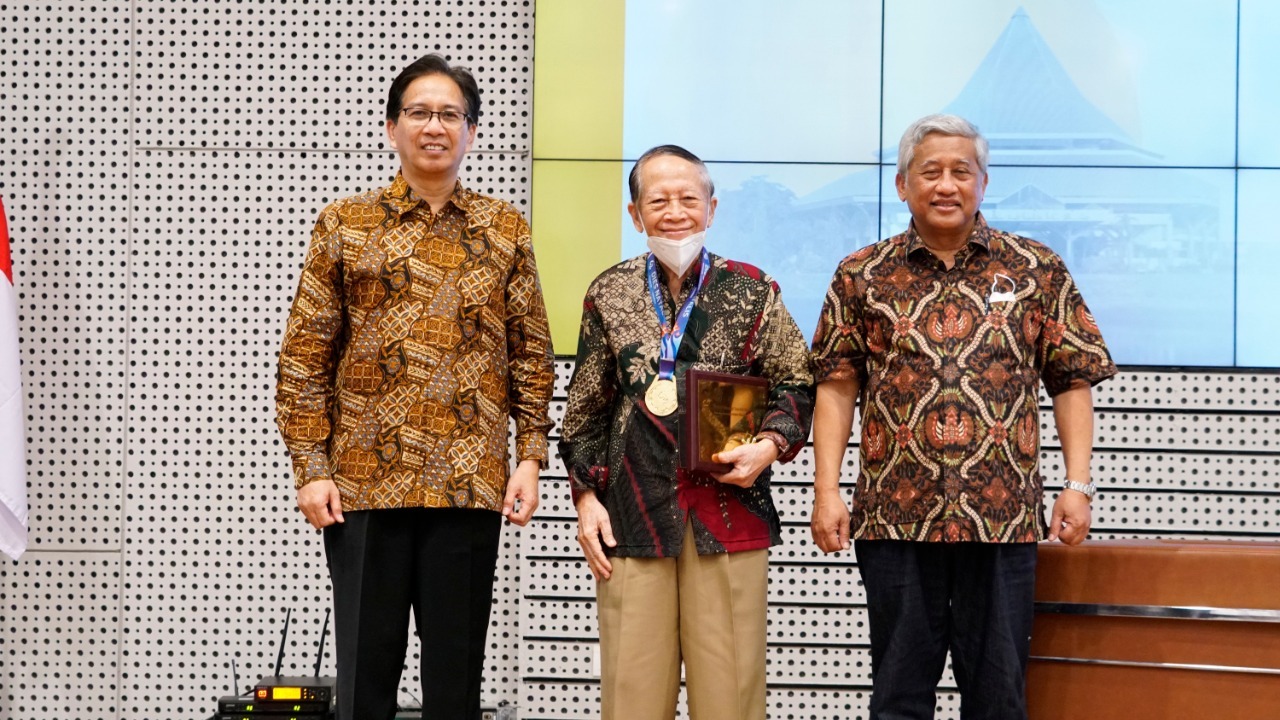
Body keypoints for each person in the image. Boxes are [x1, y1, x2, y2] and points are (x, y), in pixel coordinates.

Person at [274, 53, 555, 720]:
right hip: (364, 483)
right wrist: (310, 468)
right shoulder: (344, 223)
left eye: (450, 114)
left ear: (472, 132)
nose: (436, 126)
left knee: (455, 683)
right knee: (364, 679)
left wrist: (532, 457)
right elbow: (305, 358)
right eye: (421, 113)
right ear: (392, 127)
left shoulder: (504, 226)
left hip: (468, 482)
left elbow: (531, 352)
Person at [809, 114, 1117, 719]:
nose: (946, 185)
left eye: (961, 171)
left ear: (983, 181)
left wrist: (1077, 487)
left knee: (999, 698)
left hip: (1001, 520)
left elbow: (1072, 380)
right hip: (895, 519)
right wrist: (826, 492)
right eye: (930, 172)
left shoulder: (1036, 269)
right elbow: (836, 386)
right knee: (898, 695)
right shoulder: (861, 275)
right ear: (902, 185)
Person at [559, 145, 814, 720]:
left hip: (727, 511)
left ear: (712, 207)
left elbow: (796, 382)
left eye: (688, 199)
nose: (675, 212)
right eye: (658, 201)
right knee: (631, 696)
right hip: (633, 515)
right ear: (635, 214)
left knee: (731, 698)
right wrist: (586, 498)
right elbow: (583, 414)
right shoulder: (610, 293)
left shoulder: (753, 289)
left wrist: (769, 446)